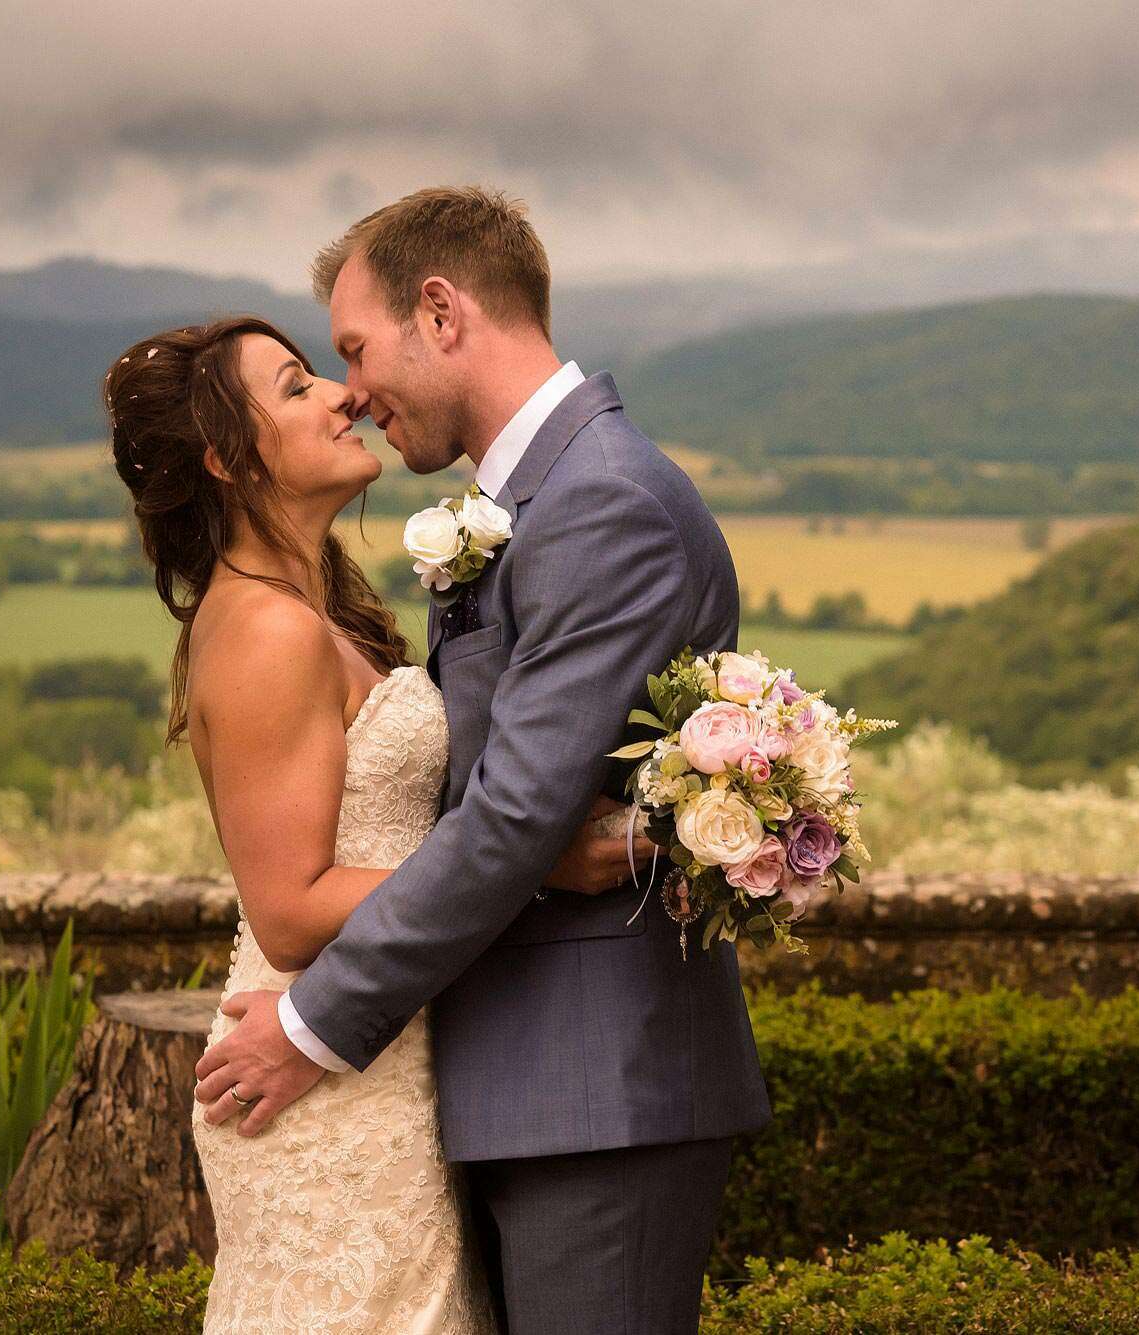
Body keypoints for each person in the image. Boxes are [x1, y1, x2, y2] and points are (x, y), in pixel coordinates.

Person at [189, 187, 771, 1333]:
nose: (351, 388)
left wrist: (312, 1027)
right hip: (506, 1081)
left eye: (353, 349)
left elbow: (510, 819)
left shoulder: (601, 502)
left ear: (441, 314)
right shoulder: (532, 503)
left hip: (596, 1086)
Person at [106, 313, 650, 1331]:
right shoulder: (266, 629)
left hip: (389, 1050)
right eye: (297, 386)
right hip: (323, 1076)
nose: (343, 394)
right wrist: (532, 867)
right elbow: (287, 908)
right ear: (227, 458)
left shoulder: (315, 610)